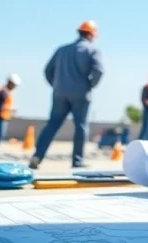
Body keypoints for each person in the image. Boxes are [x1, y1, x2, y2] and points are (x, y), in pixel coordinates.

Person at [29, 20, 104, 169]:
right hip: (81, 94)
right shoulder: (92, 50)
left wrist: (56, 85)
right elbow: (99, 71)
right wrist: (89, 85)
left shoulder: (62, 50)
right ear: (91, 35)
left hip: (59, 93)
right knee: (80, 127)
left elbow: (47, 71)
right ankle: (77, 161)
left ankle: (37, 156)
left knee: (52, 124)